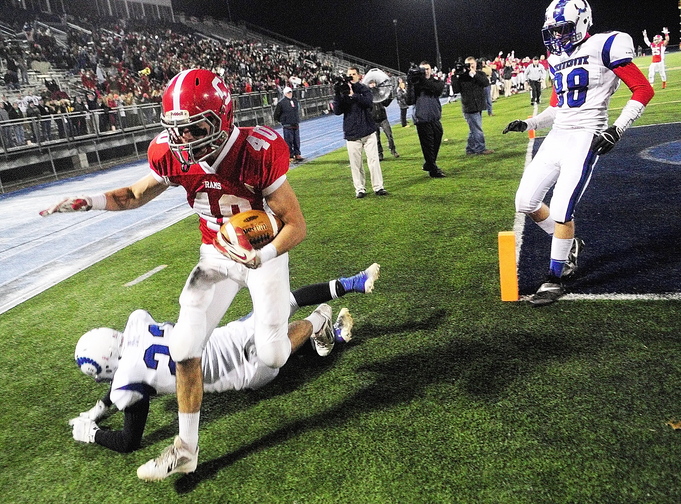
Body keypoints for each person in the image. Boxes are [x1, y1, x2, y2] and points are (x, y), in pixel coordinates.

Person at [40, 69, 307, 480]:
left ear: (223, 119)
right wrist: (88, 201)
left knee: (271, 355)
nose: (183, 140)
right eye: (176, 130)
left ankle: (316, 318)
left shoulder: (257, 149)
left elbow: (295, 225)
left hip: (261, 250)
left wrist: (262, 254)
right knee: (184, 344)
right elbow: (133, 196)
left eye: (193, 128)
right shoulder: (172, 154)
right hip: (215, 253)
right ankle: (186, 448)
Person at [68, 264, 380, 457]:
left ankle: (320, 324)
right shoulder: (137, 322)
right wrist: (99, 407)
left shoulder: (125, 385)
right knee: (287, 300)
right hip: (230, 336)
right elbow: (129, 362)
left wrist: (91, 432)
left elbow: (127, 441)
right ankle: (349, 286)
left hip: (247, 373)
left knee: (295, 332)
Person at [502, 0, 654, 306]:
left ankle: (554, 278)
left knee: (561, 209)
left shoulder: (606, 44)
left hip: (585, 136)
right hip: (558, 135)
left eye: (563, 28)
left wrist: (617, 128)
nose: (557, 36)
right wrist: (528, 122)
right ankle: (571, 245)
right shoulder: (555, 57)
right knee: (525, 201)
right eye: (553, 30)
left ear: (583, 22)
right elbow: (557, 107)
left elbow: (643, 89)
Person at [332, 67, 388, 198]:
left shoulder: (363, 89)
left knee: (373, 160)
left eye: (353, 74)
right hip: (352, 133)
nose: (351, 77)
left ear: (358, 76)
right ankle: (360, 189)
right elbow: (337, 111)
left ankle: (378, 187)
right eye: (349, 75)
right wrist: (338, 94)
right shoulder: (342, 92)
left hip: (368, 131)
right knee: (356, 164)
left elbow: (368, 102)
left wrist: (353, 95)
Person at [406, 61, 446, 178]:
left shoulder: (435, 82)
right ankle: (433, 170)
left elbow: (437, 90)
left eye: (427, 69)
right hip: (422, 119)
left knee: (436, 141)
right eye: (423, 69)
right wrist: (410, 83)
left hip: (435, 118)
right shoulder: (416, 84)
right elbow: (409, 100)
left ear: (431, 70)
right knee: (428, 146)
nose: (425, 71)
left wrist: (422, 80)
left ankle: (429, 164)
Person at [450, 57, 494, 156]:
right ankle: (480, 148)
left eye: (472, 64)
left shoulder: (480, 74)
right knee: (477, 128)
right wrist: (454, 76)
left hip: (478, 105)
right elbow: (456, 90)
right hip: (469, 107)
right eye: (468, 64)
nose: (470, 66)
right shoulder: (461, 77)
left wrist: (473, 74)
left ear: (475, 64)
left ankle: (470, 149)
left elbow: (485, 83)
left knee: (473, 129)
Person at [367, 81, 399, 160]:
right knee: (377, 139)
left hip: (383, 118)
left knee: (389, 135)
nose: (372, 85)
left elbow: (386, 103)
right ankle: (380, 154)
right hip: (374, 120)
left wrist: (390, 95)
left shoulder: (379, 93)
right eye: (371, 83)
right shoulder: (368, 95)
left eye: (373, 83)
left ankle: (393, 150)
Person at [273, 87, 304, 162]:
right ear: (285, 93)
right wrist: (282, 121)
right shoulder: (281, 103)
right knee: (288, 141)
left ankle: (297, 154)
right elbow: (276, 114)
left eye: (290, 92)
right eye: (288, 92)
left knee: (296, 140)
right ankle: (290, 155)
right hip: (287, 125)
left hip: (295, 123)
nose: (290, 94)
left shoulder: (295, 101)